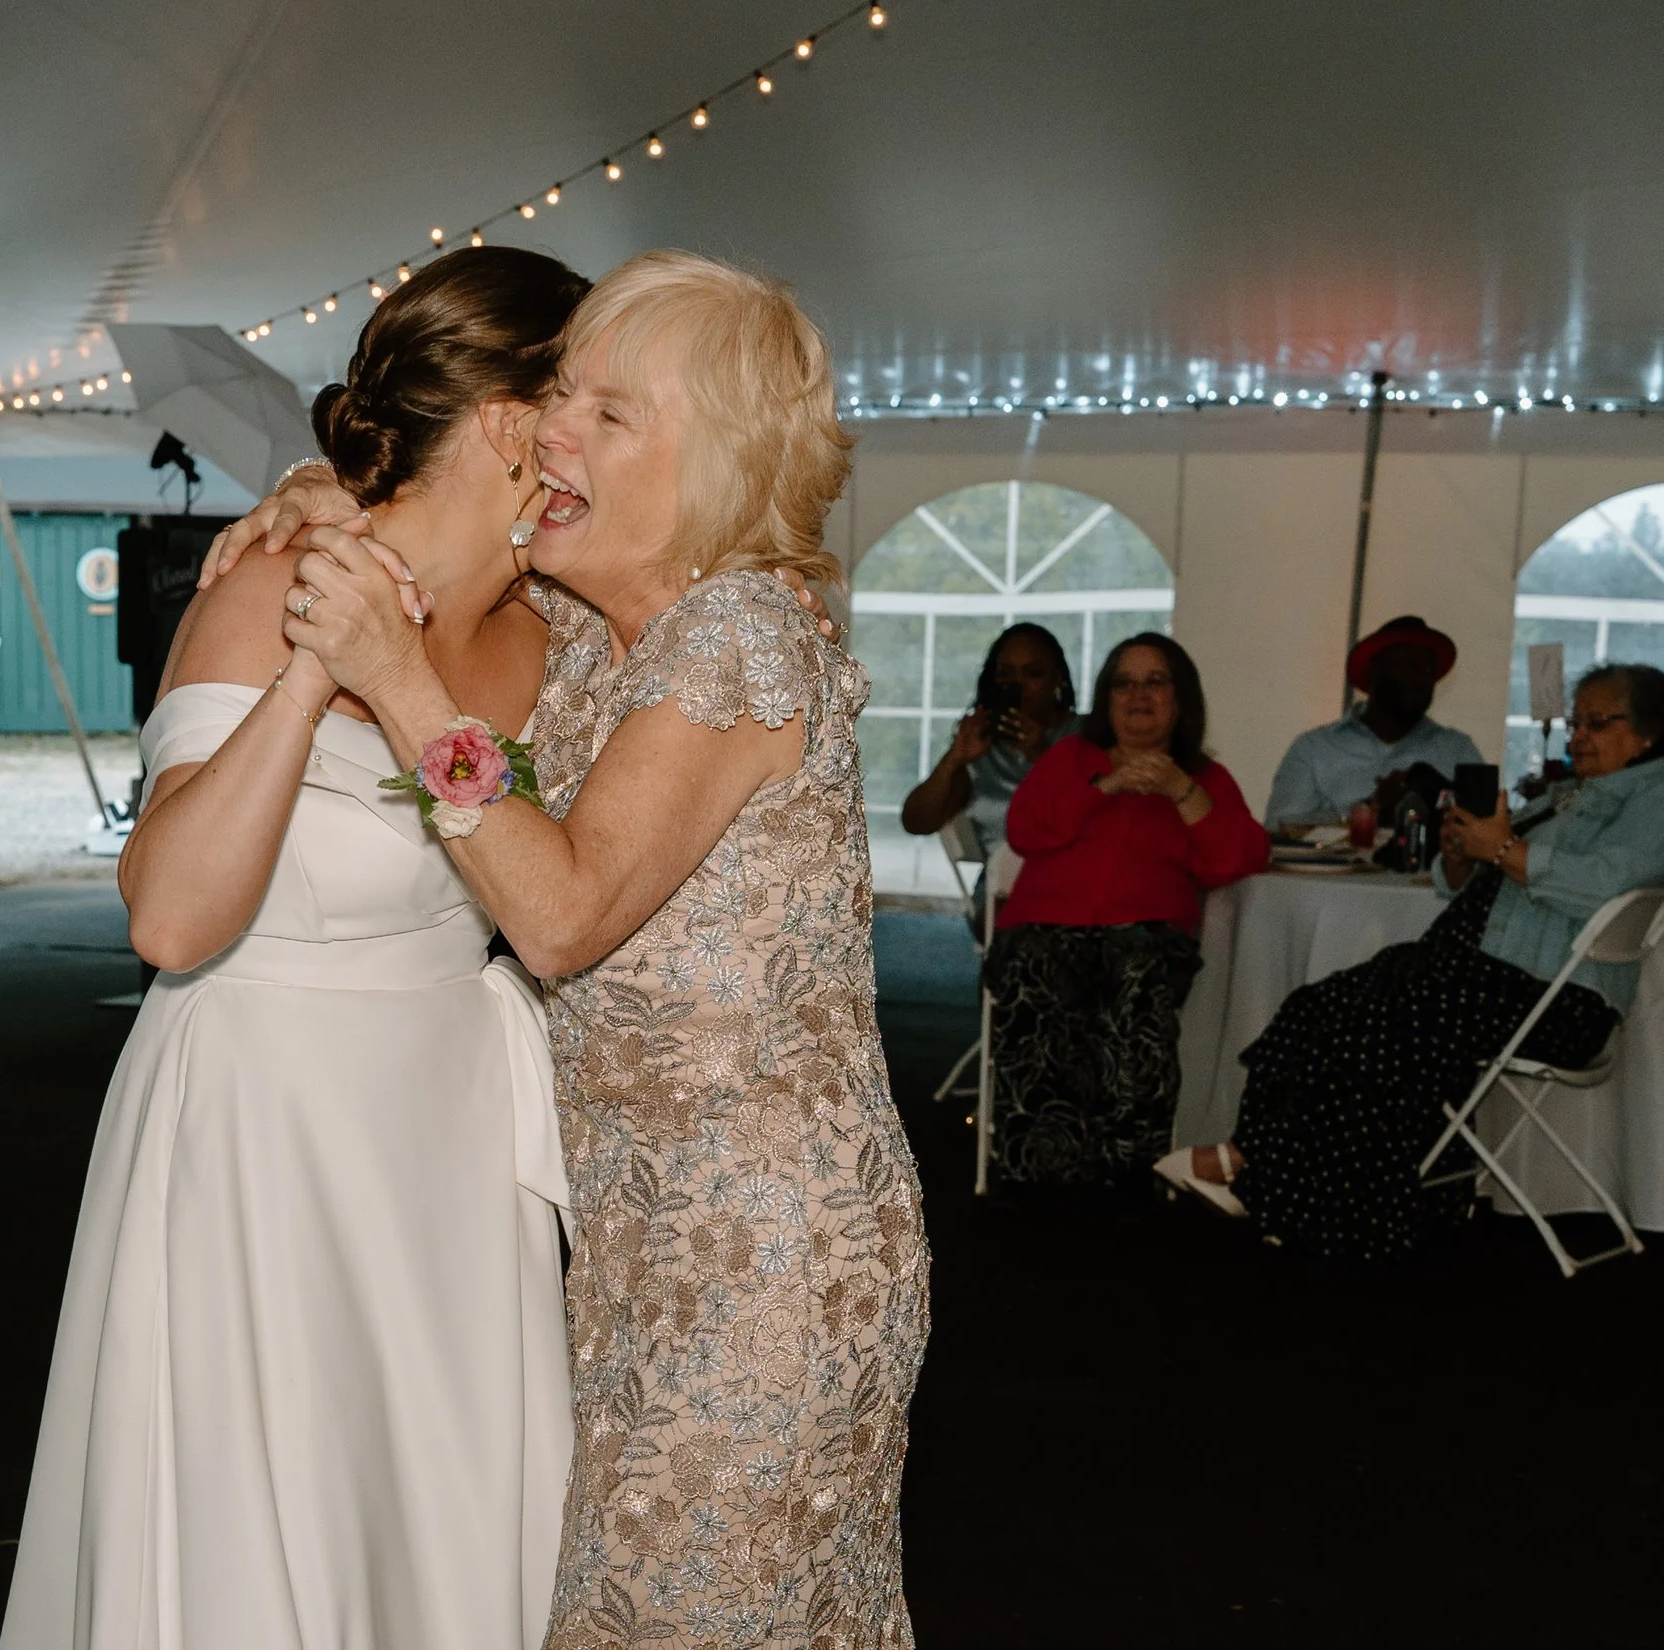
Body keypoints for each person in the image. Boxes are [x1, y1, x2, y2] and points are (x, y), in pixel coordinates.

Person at [277, 252, 925, 1646]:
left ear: (716, 467)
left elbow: (560, 912)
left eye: (609, 413)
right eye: (560, 392)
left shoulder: (740, 637)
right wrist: (324, 491)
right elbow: (449, 537)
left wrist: (396, 678)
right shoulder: (598, 630)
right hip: (649, 1240)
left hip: (768, 1262)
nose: (549, 430)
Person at [0, 247, 587, 1650]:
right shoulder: (270, 582)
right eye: (589, 400)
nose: (602, 437)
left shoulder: (557, 634)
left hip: (449, 1133)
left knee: (431, 1512)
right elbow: (170, 919)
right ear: (511, 419)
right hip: (263, 1122)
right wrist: (324, 654)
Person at [1162, 664, 1664, 1259]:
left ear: (1648, 735)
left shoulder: (1653, 798)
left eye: (1598, 722)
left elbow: (1607, 883)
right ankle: (1267, 1174)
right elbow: (1479, 886)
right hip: (1487, 978)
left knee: (1379, 1020)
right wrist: (1462, 856)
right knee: (1322, 1006)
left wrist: (1502, 848)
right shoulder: (1565, 796)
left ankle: (1262, 1175)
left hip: (1559, 1000)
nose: (1579, 735)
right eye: (1576, 721)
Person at [984, 633, 1269, 1185]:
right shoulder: (1071, 758)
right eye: (1124, 683)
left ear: (1180, 699)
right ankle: (1037, 1170)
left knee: (1137, 977)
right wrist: (1106, 786)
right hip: (1047, 927)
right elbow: (1024, 830)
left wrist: (1182, 793)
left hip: (1147, 938)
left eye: (1155, 681)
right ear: (1106, 698)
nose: (1139, 695)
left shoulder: (1203, 779)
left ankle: (1129, 1175)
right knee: (1037, 969)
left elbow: (1239, 858)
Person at [898, 622, 1080, 909]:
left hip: (1076, 881)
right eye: (1006, 674)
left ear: (1058, 678)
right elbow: (916, 821)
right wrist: (954, 759)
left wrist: (1042, 756)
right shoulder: (980, 748)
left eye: (1033, 674)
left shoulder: (1084, 734)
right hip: (1003, 891)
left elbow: (1096, 811)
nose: (1017, 686)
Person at [1265, 615, 1486, 831]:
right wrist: (1371, 808)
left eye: (1428, 667)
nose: (1421, 678)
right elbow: (1281, 835)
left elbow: (1485, 836)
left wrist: (1425, 805)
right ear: (1372, 673)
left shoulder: (1458, 751)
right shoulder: (1314, 750)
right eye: (1407, 665)